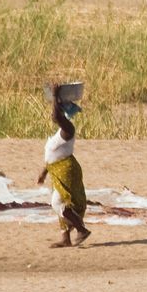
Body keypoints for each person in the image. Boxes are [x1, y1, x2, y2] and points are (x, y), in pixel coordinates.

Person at [44, 85, 91, 248]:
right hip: (58, 170)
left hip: (66, 170)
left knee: (58, 203)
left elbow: (56, 116)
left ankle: (81, 230)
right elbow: (53, 154)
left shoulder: (68, 129)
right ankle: (66, 238)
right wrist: (43, 172)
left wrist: (55, 96)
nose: (52, 114)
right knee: (61, 201)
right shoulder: (61, 132)